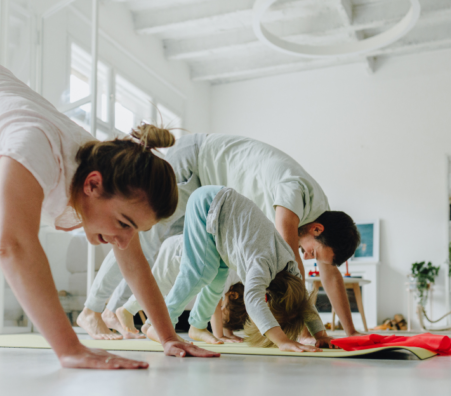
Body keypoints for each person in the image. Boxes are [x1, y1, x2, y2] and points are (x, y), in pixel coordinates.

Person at [0, 34, 218, 367]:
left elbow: (134, 259)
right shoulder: (34, 147)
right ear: (93, 185)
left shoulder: (102, 169)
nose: (125, 239)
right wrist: (71, 349)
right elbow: (14, 246)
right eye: (125, 224)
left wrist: (169, 337)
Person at [79, 133, 362, 340]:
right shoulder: (296, 192)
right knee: (139, 236)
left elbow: (329, 273)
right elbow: (293, 271)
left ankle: (119, 312)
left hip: (214, 206)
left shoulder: (320, 213)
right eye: (313, 252)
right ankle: (94, 310)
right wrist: (300, 332)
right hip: (197, 168)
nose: (308, 258)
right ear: (317, 230)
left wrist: (350, 333)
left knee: (182, 262)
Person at [140, 186, 336, 351]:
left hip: (223, 227)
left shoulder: (290, 267)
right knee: (200, 272)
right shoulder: (263, 264)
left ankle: (197, 326)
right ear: (267, 298)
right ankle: (157, 324)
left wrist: (321, 334)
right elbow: (253, 301)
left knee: (218, 282)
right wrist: (282, 341)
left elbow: (304, 304)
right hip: (209, 204)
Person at [116, 234, 248, 344]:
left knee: (163, 292)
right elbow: (214, 306)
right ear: (233, 295)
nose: (221, 312)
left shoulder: (236, 278)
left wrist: (228, 332)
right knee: (157, 287)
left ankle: (150, 325)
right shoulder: (228, 276)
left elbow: (219, 306)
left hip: (183, 252)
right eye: (224, 309)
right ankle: (127, 310)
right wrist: (219, 335)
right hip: (177, 252)